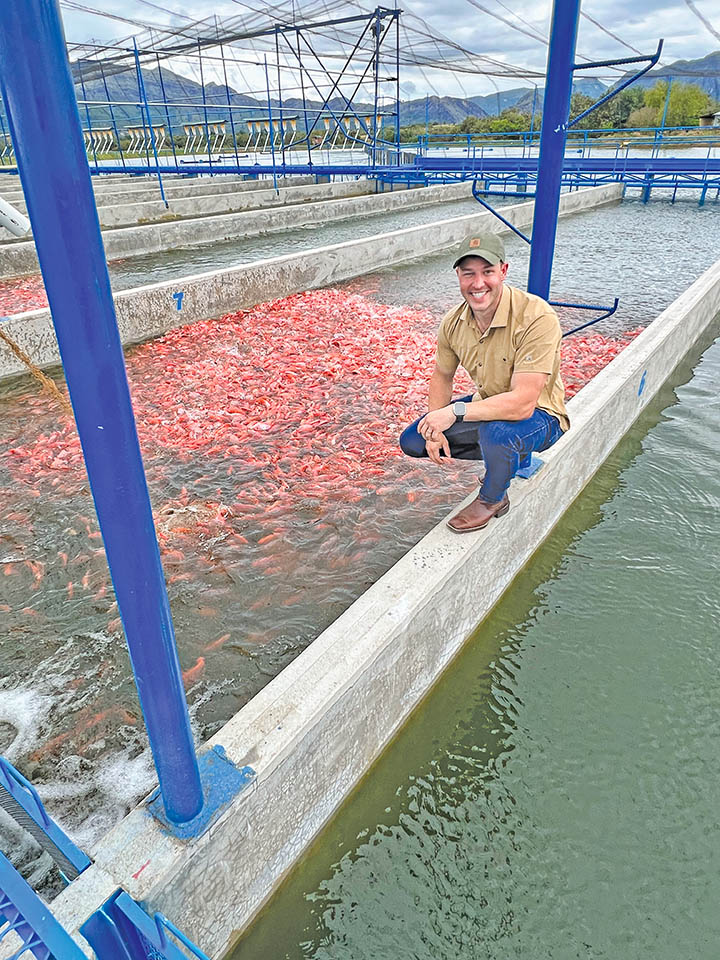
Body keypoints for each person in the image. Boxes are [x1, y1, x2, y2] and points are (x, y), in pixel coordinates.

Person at [399, 232, 569, 533]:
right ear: (458, 277)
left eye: (487, 272)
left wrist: (454, 413)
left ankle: (493, 499)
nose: (478, 284)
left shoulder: (535, 316)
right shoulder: (453, 322)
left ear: (503, 271)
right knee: (414, 440)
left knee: (499, 433)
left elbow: (523, 402)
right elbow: (442, 375)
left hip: (540, 416)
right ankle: (505, 458)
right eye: (469, 274)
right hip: (489, 407)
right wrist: (435, 425)